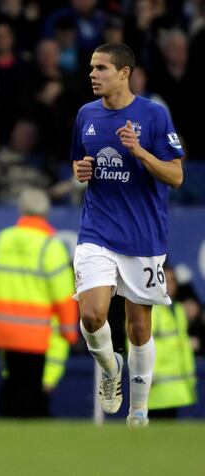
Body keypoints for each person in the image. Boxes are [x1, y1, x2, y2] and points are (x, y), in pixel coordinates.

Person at [72, 43, 184, 427]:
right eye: (91, 67)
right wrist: (81, 170)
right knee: (91, 315)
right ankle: (109, 366)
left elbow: (176, 176)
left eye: (101, 68)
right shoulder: (86, 114)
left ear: (124, 73)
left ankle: (138, 411)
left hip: (143, 236)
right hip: (97, 230)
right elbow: (78, 158)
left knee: (138, 327)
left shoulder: (153, 115)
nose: (93, 74)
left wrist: (141, 153)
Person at [0, 188, 78, 417]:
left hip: (3, 331)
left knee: (11, 382)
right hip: (36, 334)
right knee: (32, 390)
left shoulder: (1, 240)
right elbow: (63, 297)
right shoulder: (51, 247)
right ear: (46, 213)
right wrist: (70, 333)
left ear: (22, 211)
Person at [146, 263, 197, 419]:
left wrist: (190, 376)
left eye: (172, 280)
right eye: (165, 280)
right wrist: (145, 373)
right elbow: (136, 343)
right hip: (156, 387)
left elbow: (183, 346)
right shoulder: (150, 310)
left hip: (179, 386)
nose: (169, 285)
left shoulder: (179, 310)